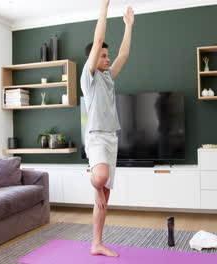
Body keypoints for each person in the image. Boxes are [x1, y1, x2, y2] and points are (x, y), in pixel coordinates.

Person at [80, 0, 134, 258]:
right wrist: (104, 6)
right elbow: (98, 36)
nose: (107, 58)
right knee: (99, 179)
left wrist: (129, 26)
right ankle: (94, 180)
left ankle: (96, 243)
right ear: (92, 57)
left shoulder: (107, 78)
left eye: (106, 55)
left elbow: (123, 55)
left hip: (111, 138)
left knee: (105, 199)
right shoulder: (88, 78)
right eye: (103, 55)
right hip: (96, 137)